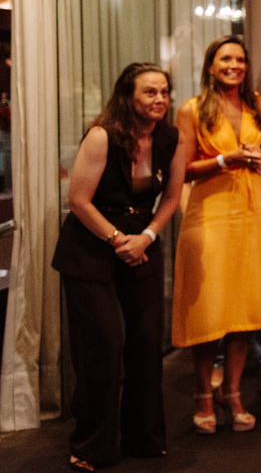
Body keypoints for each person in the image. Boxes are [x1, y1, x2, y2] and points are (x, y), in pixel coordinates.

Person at [52, 64, 187, 472]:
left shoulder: (172, 138)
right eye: (150, 92)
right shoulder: (102, 136)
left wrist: (145, 237)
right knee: (103, 348)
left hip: (141, 242)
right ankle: (91, 445)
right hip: (91, 246)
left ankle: (144, 438)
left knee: (147, 344)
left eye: (164, 92)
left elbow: (172, 197)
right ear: (128, 96)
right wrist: (117, 240)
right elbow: (78, 200)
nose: (160, 99)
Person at [173, 35, 261, 434]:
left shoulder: (259, 103)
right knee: (211, 307)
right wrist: (225, 159)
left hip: (253, 212)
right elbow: (183, 170)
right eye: (225, 59)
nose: (233, 65)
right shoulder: (193, 109)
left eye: (239, 58)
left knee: (245, 307)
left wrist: (257, 158)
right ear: (211, 66)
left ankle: (232, 392)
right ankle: (203, 393)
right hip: (211, 214)